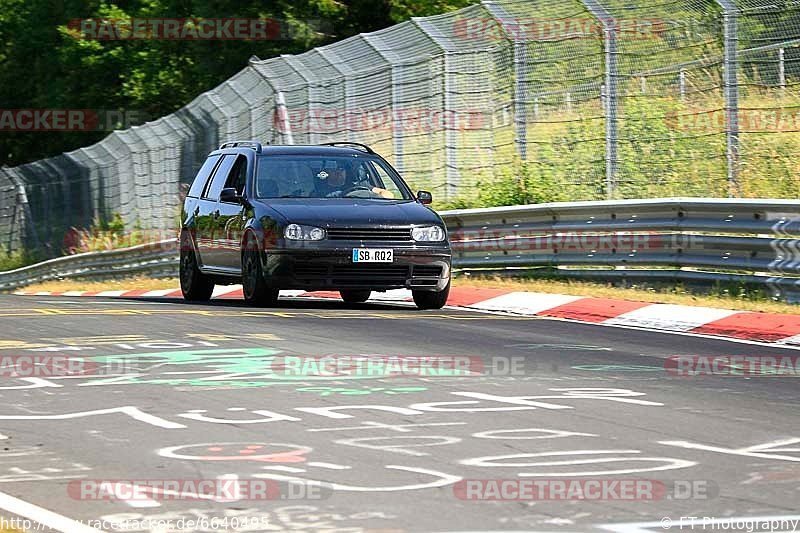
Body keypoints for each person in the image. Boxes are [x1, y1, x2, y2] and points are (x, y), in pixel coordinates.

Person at [314, 164, 394, 199]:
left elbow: (388, 194)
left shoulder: (359, 185)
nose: (338, 172)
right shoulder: (319, 191)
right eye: (334, 170)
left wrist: (380, 200)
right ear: (327, 172)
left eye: (341, 169)